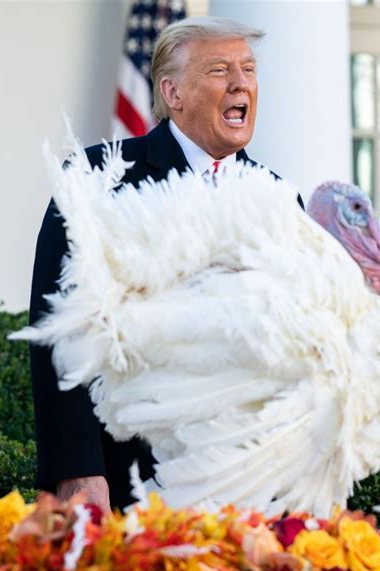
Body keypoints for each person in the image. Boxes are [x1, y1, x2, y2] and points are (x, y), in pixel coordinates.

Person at [30, 17, 302, 514]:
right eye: (220, 70)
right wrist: (77, 470)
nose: (242, 83)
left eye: (248, 68)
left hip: (250, 487)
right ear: (172, 92)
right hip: (130, 478)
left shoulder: (281, 198)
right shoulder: (98, 179)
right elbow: (58, 330)